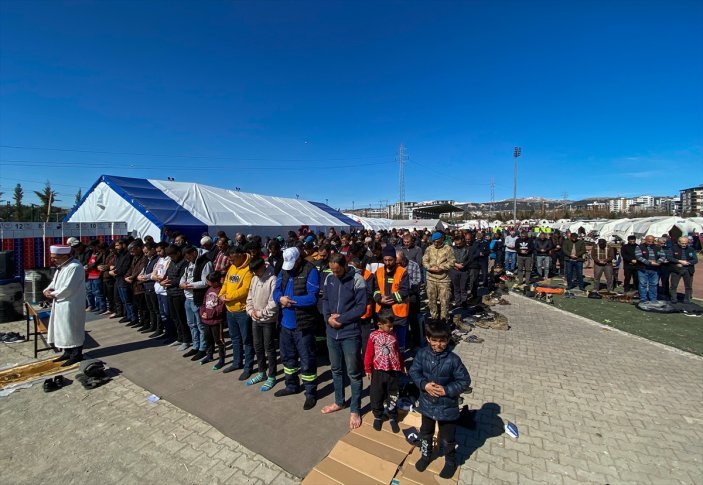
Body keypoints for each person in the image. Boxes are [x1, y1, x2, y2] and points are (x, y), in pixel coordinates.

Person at [408, 322, 471, 479]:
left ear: (449, 339)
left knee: (448, 438)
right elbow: (414, 371)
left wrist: (447, 390)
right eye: (434, 340)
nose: (438, 344)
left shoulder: (453, 360)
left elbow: (465, 381)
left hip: (447, 407)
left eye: (442, 340)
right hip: (427, 404)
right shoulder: (422, 354)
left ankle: (451, 461)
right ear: (428, 339)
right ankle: (425, 455)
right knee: (425, 432)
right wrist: (424, 384)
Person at [321, 253, 367, 429]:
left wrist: (342, 319)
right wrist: (328, 318)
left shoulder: (357, 279)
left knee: (354, 373)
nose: (335, 274)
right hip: (331, 332)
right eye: (332, 270)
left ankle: (355, 409)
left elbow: (361, 307)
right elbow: (324, 299)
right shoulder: (329, 278)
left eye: (338, 271)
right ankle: (339, 401)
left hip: (350, 333)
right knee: (336, 369)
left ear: (345, 265)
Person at [273, 247, 321, 411]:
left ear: (299, 259)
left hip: (303, 325)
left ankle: (310, 393)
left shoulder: (311, 271)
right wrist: (280, 299)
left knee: (307, 359)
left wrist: (290, 300)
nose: (290, 267)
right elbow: (276, 290)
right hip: (285, 325)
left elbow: (312, 297)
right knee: (288, 358)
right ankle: (291, 385)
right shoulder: (285, 269)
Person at [44, 245, 87, 366]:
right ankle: (67, 352)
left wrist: (54, 294)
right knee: (62, 328)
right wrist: (48, 290)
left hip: (71, 303)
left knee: (72, 328)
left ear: (64, 256)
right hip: (60, 302)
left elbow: (69, 287)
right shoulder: (62, 267)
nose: (53, 260)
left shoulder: (75, 267)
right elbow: (54, 282)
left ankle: (76, 354)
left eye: (55, 257)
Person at [364, 310, 404, 433]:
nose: (391, 328)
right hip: (378, 371)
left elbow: (397, 351)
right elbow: (369, 354)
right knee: (377, 394)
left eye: (392, 325)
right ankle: (378, 415)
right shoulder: (373, 336)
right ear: (379, 324)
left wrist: (402, 365)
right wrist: (367, 368)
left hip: (393, 370)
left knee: (392, 394)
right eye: (389, 326)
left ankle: (392, 416)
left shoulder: (393, 335)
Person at [219, 247, 254, 379]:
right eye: (229, 259)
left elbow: (246, 289)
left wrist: (229, 296)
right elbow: (226, 282)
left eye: (232, 259)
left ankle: (248, 367)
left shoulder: (248, 269)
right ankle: (236, 362)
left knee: (247, 340)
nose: (231, 262)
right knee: (235, 339)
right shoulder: (232, 267)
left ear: (239, 255)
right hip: (230, 310)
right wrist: (221, 294)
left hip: (242, 311)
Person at [245, 257, 279, 391]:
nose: (255, 274)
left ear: (262, 267)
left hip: (268, 320)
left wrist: (260, 313)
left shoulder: (273, 279)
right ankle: (261, 372)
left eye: (256, 271)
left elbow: (273, 303)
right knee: (257, 346)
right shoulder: (254, 278)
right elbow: (250, 296)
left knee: (269, 348)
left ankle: (272, 376)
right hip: (255, 319)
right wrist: (250, 310)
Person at [374, 246, 411, 351]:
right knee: (384, 343)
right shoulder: (378, 272)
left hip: (398, 313)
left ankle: (399, 364)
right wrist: (379, 299)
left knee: (399, 344)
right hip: (382, 311)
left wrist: (389, 299)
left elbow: (404, 291)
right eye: (385, 260)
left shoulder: (403, 272)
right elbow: (375, 289)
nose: (388, 262)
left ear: (395, 259)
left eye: (390, 260)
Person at [181, 246, 213, 361]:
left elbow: (206, 282)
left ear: (194, 253)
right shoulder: (189, 263)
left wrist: (190, 285)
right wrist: (182, 284)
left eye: (188, 256)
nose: (187, 259)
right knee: (191, 324)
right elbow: (184, 277)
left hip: (198, 298)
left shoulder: (206, 263)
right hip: (187, 298)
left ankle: (203, 348)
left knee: (200, 325)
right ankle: (195, 345)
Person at [422, 232, 456, 323]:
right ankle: (434, 318)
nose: (436, 244)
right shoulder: (429, 249)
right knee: (431, 300)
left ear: (442, 239)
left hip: (444, 279)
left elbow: (452, 262)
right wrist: (429, 267)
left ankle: (444, 319)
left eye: (437, 242)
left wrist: (441, 268)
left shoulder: (448, 249)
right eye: (434, 242)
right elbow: (424, 261)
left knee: (444, 301)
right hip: (431, 279)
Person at [161, 244, 189, 350]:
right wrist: (164, 281)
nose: (171, 258)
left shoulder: (184, 263)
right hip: (170, 293)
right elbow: (168, 275)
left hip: (179, 294)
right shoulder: (172, 262)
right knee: (174, 317)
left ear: (178, 253)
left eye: (172, 256)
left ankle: (186, 340)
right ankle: (179, 337)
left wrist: (169, 283)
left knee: (181, 318)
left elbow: (181, 279)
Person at [200, 271, 226, 369]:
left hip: (216, 321)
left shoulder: (222, 290)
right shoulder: (209, 289)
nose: (208, 283)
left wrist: (210, 314)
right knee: (208, 339)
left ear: (215, 282)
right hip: (206, 320)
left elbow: (221, 308)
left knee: (219, 341)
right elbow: (204, 303)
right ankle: (209, 355)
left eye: (209, 281)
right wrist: (202, 312)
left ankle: (221, 359)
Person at [667, 236, 698, 303]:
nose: (684, 245)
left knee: (688, 286)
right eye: (682, 243)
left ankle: (687, 300)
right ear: (678, 242)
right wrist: (679, 261)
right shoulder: (672, 248)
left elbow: (695, 260)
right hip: (676, 269)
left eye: (686, 243)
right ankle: (674, 299)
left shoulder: (691, 249)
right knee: (674, 286)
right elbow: (669, 257)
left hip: (688, 269)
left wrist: (687, 263)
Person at [635, 235, 665, 302]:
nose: (650, 242)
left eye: (652, 241)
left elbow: (663, 256)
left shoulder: (658, 247)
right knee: (643, 284)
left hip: (655, 269)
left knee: (654, 284)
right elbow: (639, 257)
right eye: (648, 240)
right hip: (643, 269)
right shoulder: (640, 247)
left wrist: (658, 262)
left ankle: (653, 298)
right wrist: (649, 263)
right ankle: (643, 299)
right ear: (645, 240)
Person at [450, 234, 470, 308]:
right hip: (454, 270)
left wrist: (463, 264)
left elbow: (469, 259)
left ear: (462, 241)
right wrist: (455, 264)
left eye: (459, 243)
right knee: (456, 287)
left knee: (463, 287)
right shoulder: (452, 249)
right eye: (456, 244)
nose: (458, 245)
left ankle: (464, 302)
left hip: (464, 270)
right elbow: (449, 258)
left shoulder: (467, 248)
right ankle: (458, 302)